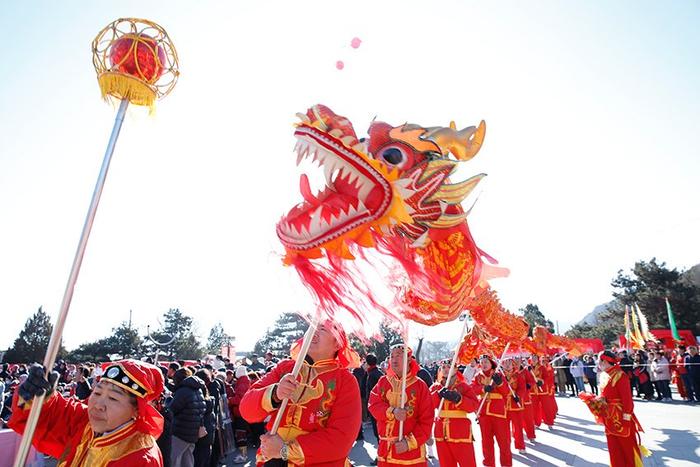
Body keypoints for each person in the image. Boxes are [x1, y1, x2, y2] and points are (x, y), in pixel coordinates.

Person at [240, 320, 362, 466]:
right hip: (271, 459)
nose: (314, 332)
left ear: (337, 343)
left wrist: (285, 450)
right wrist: (275, 394)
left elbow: (342, 439)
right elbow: (246, 410)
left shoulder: (345, 380)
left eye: (322, 329)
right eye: (312, 327)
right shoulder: (285, 368)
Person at [9, 359, 165, 466]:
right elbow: (51, 413)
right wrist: (35, 396)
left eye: (113, 398)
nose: (98, 405)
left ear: (136, 410)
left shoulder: (141, 458)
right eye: (97, 393)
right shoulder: (86, 421)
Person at [368, 344, 433, 466]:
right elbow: (373, 404)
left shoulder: (420, 386)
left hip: (410, 454)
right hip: (386, 453)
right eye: (391, 356)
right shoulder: (383, 382)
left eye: (398, 356)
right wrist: (392, 411)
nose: (393, 359)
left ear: (409, 359)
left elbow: (427, 420)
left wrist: (409, 443)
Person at [597, 350, 644, 466]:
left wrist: (626, 419)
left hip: (621, 418)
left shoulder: (620, 375)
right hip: (609, 417)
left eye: (599, 360)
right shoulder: (604, 375)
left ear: (605, 361)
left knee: (626, 448)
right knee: (613, 448)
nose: (598, 363)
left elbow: (627, 400)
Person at [429, 360, 479, 467]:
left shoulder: (463, 387)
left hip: (460, 430)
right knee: (445, 463)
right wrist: (437, 395)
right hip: (441, 431)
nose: (446, 369)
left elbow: (474, 405)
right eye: (444, 367)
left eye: (449, 367)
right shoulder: (435, 387)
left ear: (456, 370)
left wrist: (459, 399)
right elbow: (427, 405)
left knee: (467, 463)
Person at [471, 355, 511, 467]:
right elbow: (472, 389)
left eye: (486, 362)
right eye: (482, 362)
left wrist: (500, 384)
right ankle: (488, 463)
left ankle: (506, 464)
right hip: (483, 413)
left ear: (491, 363)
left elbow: (506, 392)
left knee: (503, 442)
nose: (483, 364)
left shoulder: (498, 375)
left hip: (498, 412)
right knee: (486, 442)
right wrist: (483, 389)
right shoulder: (478, 376)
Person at [170, 367, 207, 467]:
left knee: (174, 459)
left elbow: (172, 409)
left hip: (181, 431)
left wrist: (168, 399)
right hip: (193, 432)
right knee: (187, 460)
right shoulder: (197, 389)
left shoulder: (183, 391)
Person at [503, 358, 527, 455]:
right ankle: (506, 448)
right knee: (504, 429)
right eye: (505, 363)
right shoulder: (500, 375)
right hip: (504, 406)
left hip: (515, 404)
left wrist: (518, 395)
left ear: (513, 364)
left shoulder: (518, 375)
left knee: (518, 428)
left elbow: (522, 388)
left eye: (509, 363)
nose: (508, 365)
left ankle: (520, 446)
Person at [230, 366, 251, 464]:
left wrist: (229, 400)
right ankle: (243, 454)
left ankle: (243, 455)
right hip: (243, 411)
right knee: (242, 433)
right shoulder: (245, 381)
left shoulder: (242, 383)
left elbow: (240, 398)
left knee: (240, 433)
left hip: (240, 411)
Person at [364, 353, 384, 444]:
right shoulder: (378, 373)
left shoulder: (372, 375)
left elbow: (372, 392)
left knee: (377, 430)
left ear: (367, 363)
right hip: (381, 405)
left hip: (375, 405)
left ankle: (381, 451)